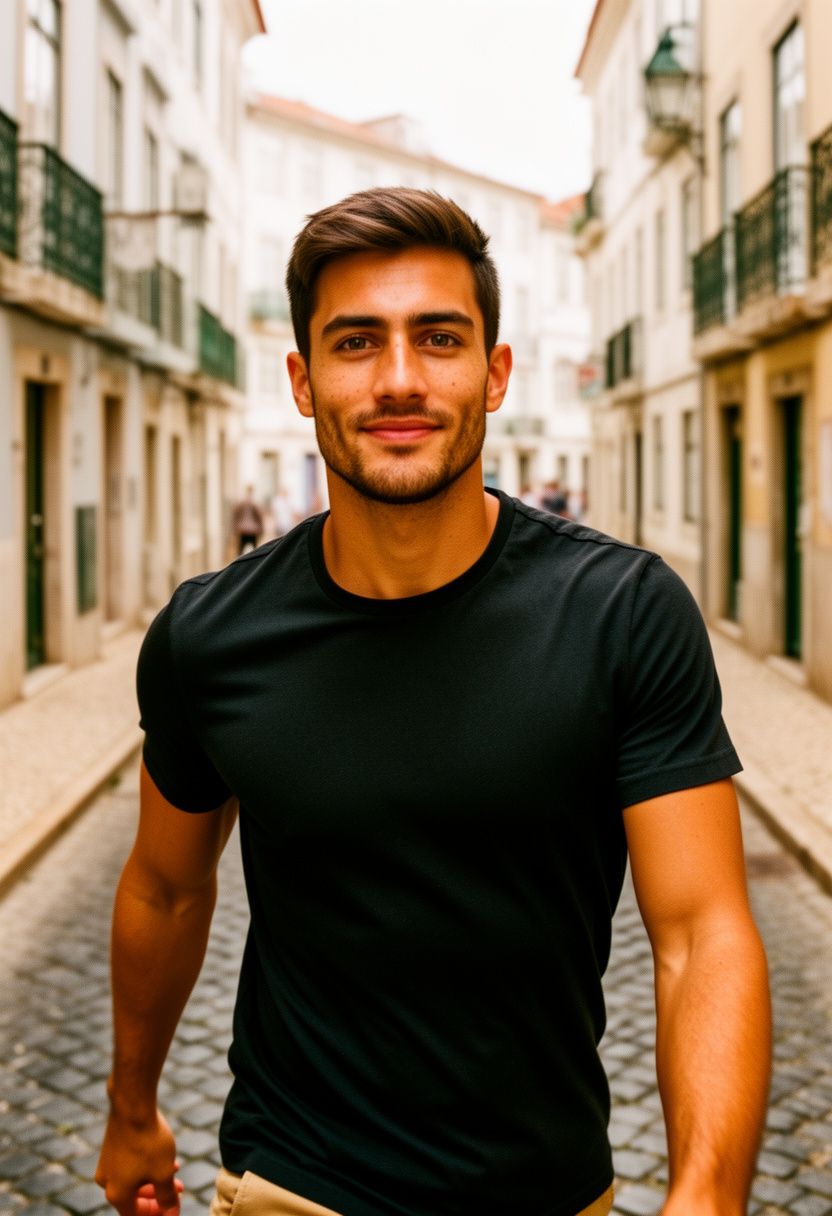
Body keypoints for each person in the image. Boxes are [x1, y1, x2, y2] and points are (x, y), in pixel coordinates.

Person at [96, 188, 771, 1216]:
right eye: (357, 341)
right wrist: (130, 1105)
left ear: (495, 373)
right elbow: (163, 888)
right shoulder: (208, 635)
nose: (400, 380)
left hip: (544, 1191)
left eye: (439, 338)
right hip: (290, 1182)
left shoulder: (622, 613)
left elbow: (701, 929)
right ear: (302, 379)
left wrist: (706, 1194)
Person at [230, 485, 264, 554]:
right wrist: (261, 529)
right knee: (254, 550)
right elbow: (259, 517)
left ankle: (240, 564)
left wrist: (235, 528)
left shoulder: (241, 502)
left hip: (243, 529)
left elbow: (236, 516)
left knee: (241, 550)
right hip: (253, 529)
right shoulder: (255, 503)